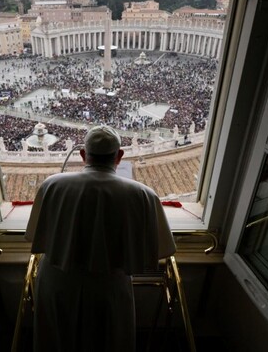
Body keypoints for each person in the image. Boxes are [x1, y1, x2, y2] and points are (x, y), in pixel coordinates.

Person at [25, 125, 176, 352]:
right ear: (119, 156)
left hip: (56, 282)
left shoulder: (52, 185)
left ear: (83, 155)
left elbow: (35, 236)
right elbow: (163, 249)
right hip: (108, 287)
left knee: (56, 340)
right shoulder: (144, 194)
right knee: (107, 341)